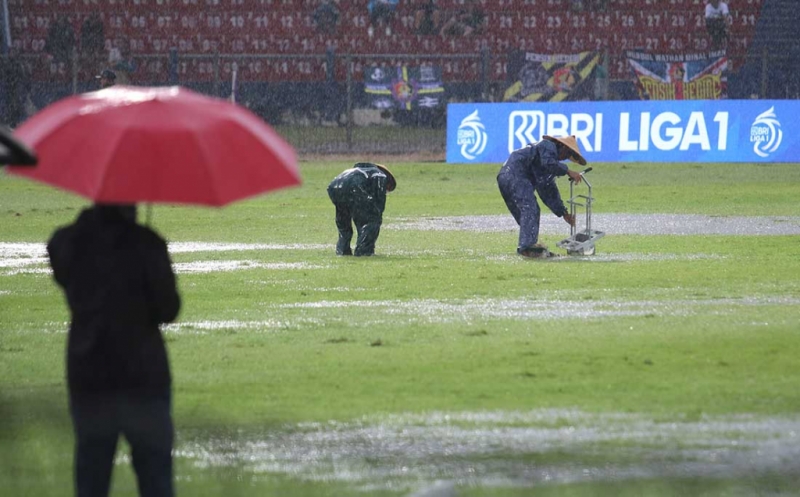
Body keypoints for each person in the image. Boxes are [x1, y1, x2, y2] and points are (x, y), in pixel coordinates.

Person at [47, 203, 181, 497]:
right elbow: (168, 308)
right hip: (143, 375)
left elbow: (59, 257)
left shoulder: (72, 243)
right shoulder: (147, 245)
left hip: (90, 373)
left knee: (91, 480)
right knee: (156, 479)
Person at [497, 135, 586, 258]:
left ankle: (530, 245)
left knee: (527, 213)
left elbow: (547, 190)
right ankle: (527, 248)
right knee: (530, 208)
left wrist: (563, 212)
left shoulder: (543, 159)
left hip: (505, 177)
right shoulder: (548, 145)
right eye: (567, 154)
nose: (564, 158)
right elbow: (549, 163)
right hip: (515, 175)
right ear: (563, 147)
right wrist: (567, 171)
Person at [327, 162, 396, 256]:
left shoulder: (350, 171)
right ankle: (364, 251)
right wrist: (376, 215)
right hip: (355, 188)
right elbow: (379, 200)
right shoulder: (379, 174)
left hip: (334, 188)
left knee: (343, 223)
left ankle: (342, 250)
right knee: (371, 221)